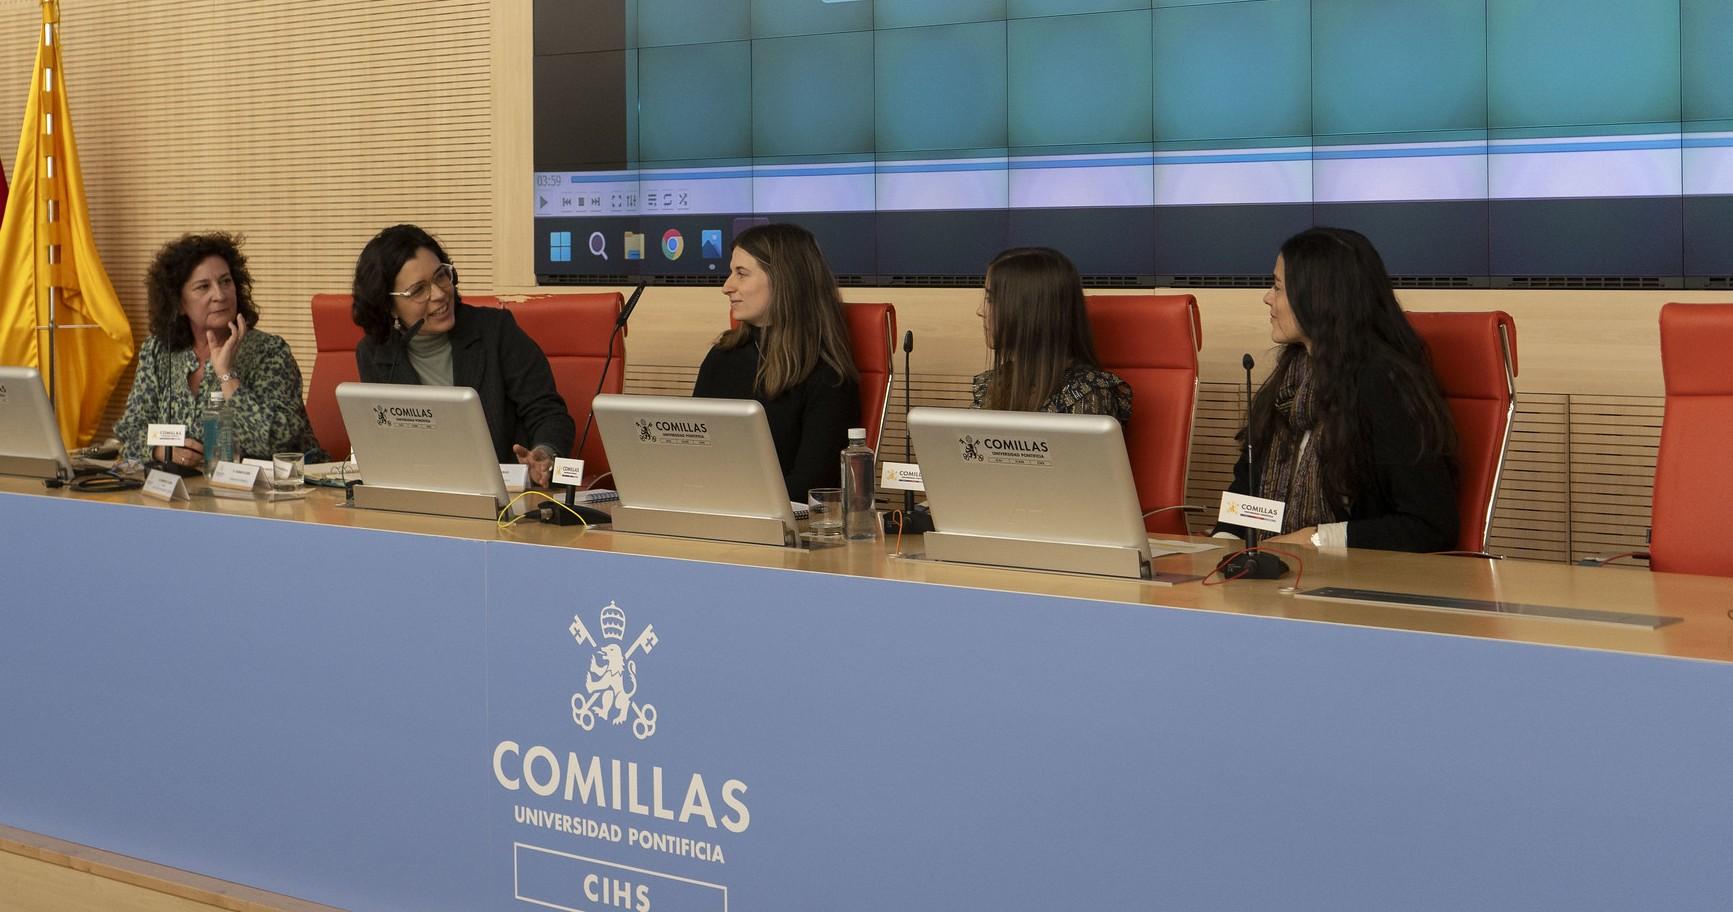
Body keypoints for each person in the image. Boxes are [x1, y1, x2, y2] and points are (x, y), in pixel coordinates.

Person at [1219, 227, 1458, 553]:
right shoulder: (1290, 381)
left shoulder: (1383, 384)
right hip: (1271, 576)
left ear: (1319, 296)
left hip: (1354, 585)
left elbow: (1429, 525)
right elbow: (1245, 496)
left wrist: (1315, 539)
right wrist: (1223, 544)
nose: (1267, 297)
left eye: (1277, 287)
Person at [351, 224, 574, 486]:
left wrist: (545, 453)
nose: (440, 294)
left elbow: (548, 412)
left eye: (441, 276)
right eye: (419, 290)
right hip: (423, 492)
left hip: (505, 497)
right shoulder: (375, 353)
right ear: (389, 306)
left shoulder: (495, 331)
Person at [116, 232, 323, 467]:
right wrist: (159, 451)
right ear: (179, 302)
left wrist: (226, 374)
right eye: (203, 287)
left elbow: (277, 441)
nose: (220, 295)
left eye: (226, 281)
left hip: (275, 491)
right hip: (191, 491)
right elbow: (129, 431)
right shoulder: (158, 351)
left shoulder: (270, 352)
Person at [692, 223, 859, 501]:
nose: (726, 286)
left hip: (777, 528)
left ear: (784, 280)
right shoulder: (721, 356)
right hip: (710, 507)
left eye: (741, 274)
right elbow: (692, 453)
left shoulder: (828, 374)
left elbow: (813, 485)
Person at [970, 247, 1131, 424]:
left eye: (992, 300)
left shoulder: (1088, 394)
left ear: (1031, 312)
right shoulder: (992, 385)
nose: (981, 311)